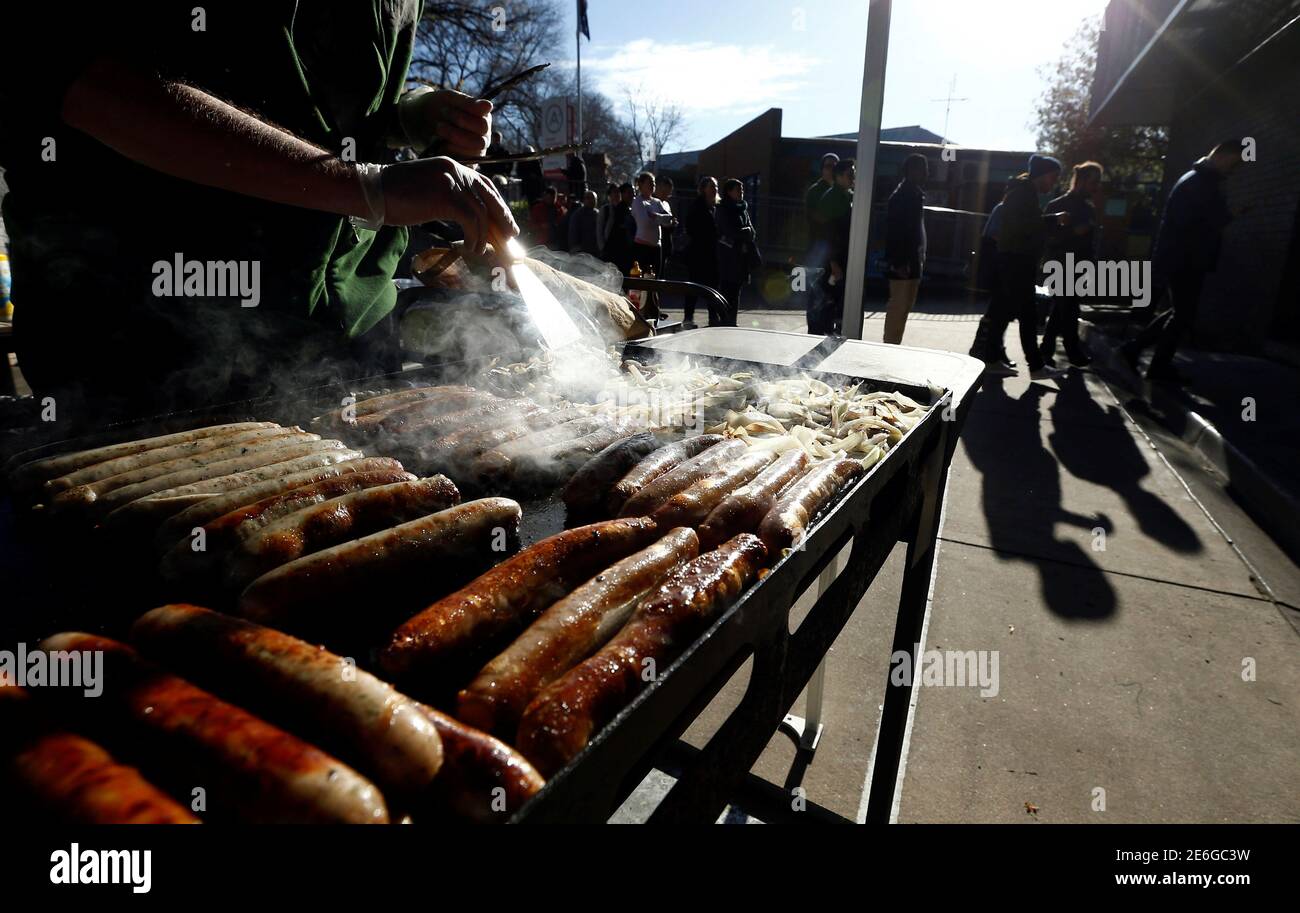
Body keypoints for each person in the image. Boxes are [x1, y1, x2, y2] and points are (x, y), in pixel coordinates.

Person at [0, 5, 517, 419]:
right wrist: (365, 187)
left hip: (351, 326)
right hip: (144, 340)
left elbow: (329, 91)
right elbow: (76, 75)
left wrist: (413, 113)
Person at [1121, 140, 1242, 384]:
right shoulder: (1201, 183)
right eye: (1235, 162)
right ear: (1222, 156)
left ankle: (1135, 351)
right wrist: (1229, 216)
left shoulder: (1196, 179)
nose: (1235, 169)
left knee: (1180, 312)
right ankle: (1155, 365)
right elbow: (1196, 223)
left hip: (1183, 256)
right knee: (1183, 314)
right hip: (1186, 258)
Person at [973, 153, 1068, 379]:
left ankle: (993, 359)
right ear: (1043, 175)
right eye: (1052, 177)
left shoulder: (1022, 192)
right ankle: (1034, 366)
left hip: (1015, 261)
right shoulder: (1024, 194)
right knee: (1026, 314)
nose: (1053, 183)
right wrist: (1053, 220)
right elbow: (1026, 227)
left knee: (1004, 312)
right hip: (1017, 261)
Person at [1041, 161, 1103, 368]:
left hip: (1079, 267)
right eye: (1094, 181)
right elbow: (1046, 235)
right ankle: (1072, 351)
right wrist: (1073, 232)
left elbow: (1090, 241)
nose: (1097, 186)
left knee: (1061, 310)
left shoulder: (1088, 207)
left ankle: (1046, 351)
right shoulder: (1057, 205)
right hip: (1061, 264)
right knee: (1068, 310)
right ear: (1083, 180)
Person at [883, 153, 928, 344]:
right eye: (923, 168)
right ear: (912, 170)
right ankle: (890, 346)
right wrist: (899, 262)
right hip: (904, 262)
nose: (926, 172)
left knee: (903, 307)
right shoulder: (903, 197)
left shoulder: (912, 194)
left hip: (911, 260)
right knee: (899, 307)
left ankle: (893, 344)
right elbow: (896, 232)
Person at [810, 158, 855, 335]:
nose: (853, 178)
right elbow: (825, 233)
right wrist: (833, 263)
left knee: (836, 301)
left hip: (841, 257)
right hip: (832, 261)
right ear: (839, 176)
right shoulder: (832, 198)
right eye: (850, 174)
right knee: (828, 301)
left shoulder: (847, 196)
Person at [715, 178, 760, 326]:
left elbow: (752, 231)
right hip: (728, 255)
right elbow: (728, 230)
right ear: (729, 191)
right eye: (738, 190)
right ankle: (724, 320)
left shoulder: (743, 208)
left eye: (742, 190)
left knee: (737, 289)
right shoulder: (723, 208)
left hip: (741, 255)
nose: (741, 193)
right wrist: (744, 232)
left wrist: (745, 232)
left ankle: (732, 320)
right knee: (727, 288)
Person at [684, 176, 720, 328]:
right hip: (699, 252)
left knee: (712, 286)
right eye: (711, 187)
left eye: (715, 187)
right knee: (694, 286)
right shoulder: (698, 206)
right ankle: (688, 318)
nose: (714, 190)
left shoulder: (715, 207)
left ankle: (713, 317)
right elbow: (691, 227)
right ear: (703, 189)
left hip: (712, 252)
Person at [630, 172, 674, 277]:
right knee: (641, 279)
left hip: (656, 247)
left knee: (655, 278)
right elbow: (645, 222)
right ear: (640, 185)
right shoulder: (637, 201)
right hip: (642, 247)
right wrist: (661, 219)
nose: (653, 185)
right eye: (649, 183)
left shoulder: (657, 202)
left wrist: (656, 216)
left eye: (654, 183)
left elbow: (669, 219)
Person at [804, 152, 839, 264]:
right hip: (819, 243)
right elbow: (813, 215)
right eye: (828, 166)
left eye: (835, 166)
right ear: (822, 169)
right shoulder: (814, 191)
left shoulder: (841, 190)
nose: (832, 169)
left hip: (837, 243)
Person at [568, 189, 601, 257]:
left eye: (594, 198)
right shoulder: (578, 214)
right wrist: (575, 248)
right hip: (581, 250)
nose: (591, 201)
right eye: (588, 198)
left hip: (595, 251)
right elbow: (573, 232)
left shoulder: (598, 214)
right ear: (584, 200)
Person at [658, 176, 678, 275]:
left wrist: (672, 224)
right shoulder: (653, 203)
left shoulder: (666, 204)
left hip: (666, 243)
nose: (667, 195)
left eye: (669, 192)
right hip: (657, 242)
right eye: (665, 192)